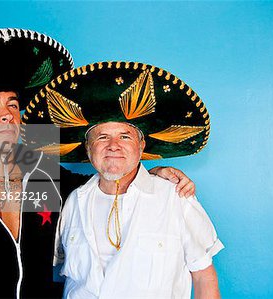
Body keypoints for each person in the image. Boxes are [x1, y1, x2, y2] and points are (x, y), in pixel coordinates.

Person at [0, 31, 195, 299]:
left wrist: (154, 174)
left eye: (13, 104)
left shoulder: (54, 180)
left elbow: (110, 183)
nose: (6, 114)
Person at [21, 61, 223, 298]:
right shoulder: (73, 200)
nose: (113, 146)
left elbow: (204, 277)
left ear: (141, 146)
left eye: (125, 136)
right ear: (88, 149)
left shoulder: (175, 197)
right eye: (102, 137)